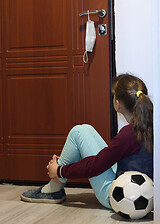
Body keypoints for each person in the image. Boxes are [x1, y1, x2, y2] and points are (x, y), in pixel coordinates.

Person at [21, 73, 153, 209]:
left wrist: (60, 170)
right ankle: (58, 179)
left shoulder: (128, 133)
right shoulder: (153, 126)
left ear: (117, 104)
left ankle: (54, 187)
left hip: (119, 198)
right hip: (145, 194)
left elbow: (95, 166)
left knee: (78, 132)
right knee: (86, 129)